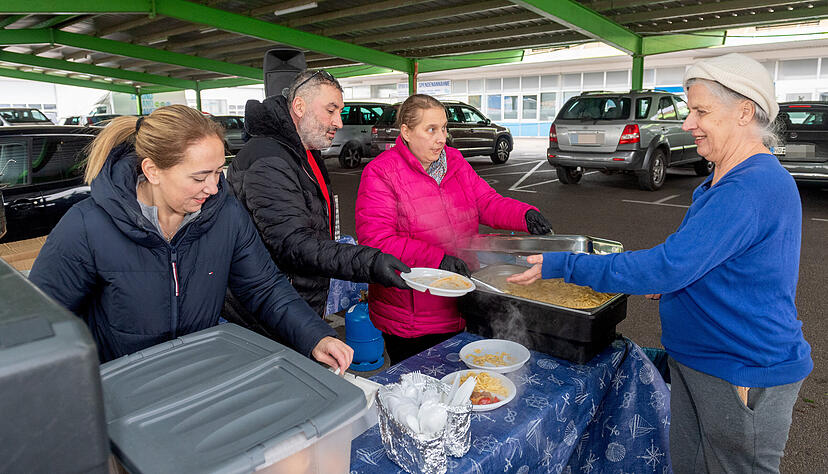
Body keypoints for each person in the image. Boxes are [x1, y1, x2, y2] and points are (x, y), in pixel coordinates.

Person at [507, 53, 811, 473]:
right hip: (702, 361)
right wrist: (674, 282)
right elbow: (708, 262)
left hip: (741, 367)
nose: (688, 124)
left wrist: (566, 265)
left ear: (744, 112)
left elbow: (670, 265)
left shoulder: (752, 185)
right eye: (690, 111)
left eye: (701, 111)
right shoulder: (725, 178)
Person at [29, 105, 353, 372]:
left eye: (217, 172)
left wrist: (316, 336)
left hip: (197, 376)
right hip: (121, 392)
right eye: (199, 177)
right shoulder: (88, 225)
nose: (213, 188)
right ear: (153, 171)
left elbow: (264, 286)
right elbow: (45, 325)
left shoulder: (224, 214)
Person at [355, 94, 553, 364]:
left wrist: (524, 214)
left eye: (444, 128)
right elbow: (378, 240)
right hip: (412, 316)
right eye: (431, 129)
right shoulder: (382, 172)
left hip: (461, 300)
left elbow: (485, 201)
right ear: (406, 132)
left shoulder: (455, 161)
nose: (442, 138)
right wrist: (438, 259)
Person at [226, 70, 410, 321]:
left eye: (340, 112)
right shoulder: (268, 159)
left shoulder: (303, 149)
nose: (339, 123)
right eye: (331, 110)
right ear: (299, 106)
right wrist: (369, 262)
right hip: (269, 310)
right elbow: (294, 244)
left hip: (294, 299)